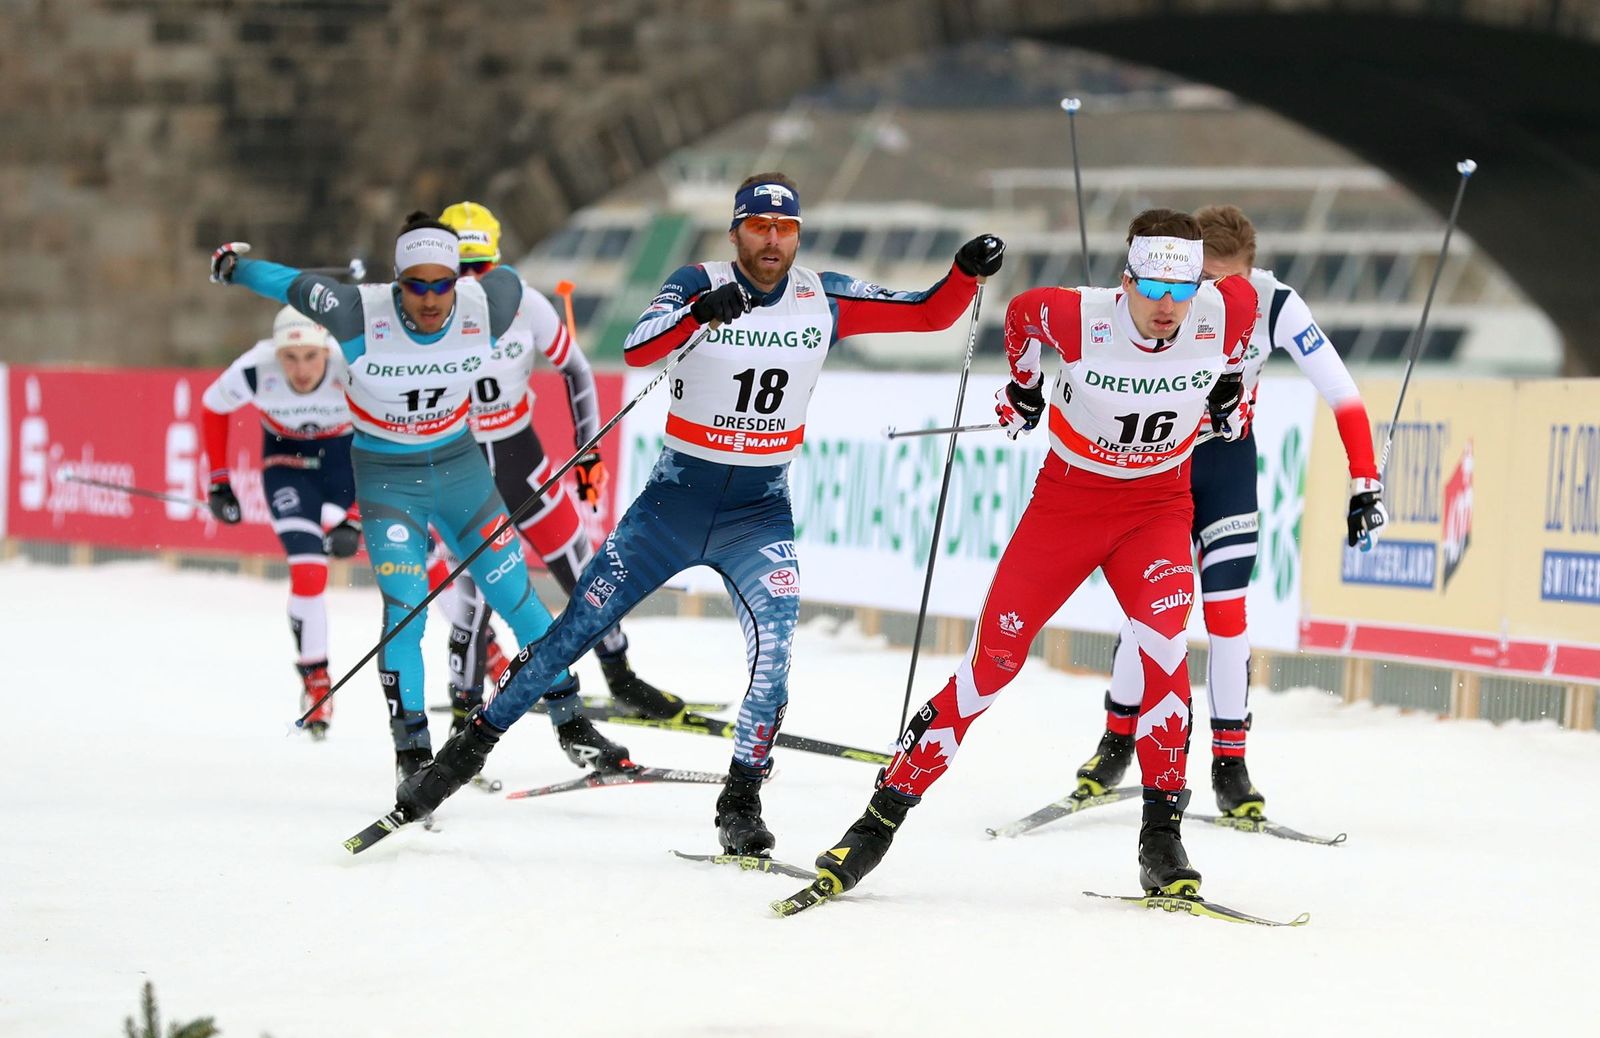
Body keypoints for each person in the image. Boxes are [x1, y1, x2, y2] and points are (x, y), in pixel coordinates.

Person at [392, 173, 1005, 854]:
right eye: (759, 227)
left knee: (774, 657)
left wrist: (961, 273)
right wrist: (701, 313)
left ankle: (740, 801)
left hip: (758, 513)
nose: (773, 241)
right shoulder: (694, 280)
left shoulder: (821, 295)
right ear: (736, 230)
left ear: (797, 234)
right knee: (570, 633)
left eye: (785, 229)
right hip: (673, 505)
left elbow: (927, 314)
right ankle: (459, 759)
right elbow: (638, 347)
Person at [808, 209, 1258, 900]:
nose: (1168, 307)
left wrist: (1229, 388)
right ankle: (876, 823)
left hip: (1157, 510)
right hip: (1068, 508)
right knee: (993, 665)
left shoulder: (1228, 307)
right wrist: (1025, 390)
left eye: (1184, 289)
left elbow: (1238, 332)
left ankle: (1161, 840)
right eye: (1153, 290)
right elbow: (1019, 317)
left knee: (1166, 653)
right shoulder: (1078, 318)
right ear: (1125, 279)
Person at [208, 213, 634, 783]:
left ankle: (571, 722)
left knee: (519, 598)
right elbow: (287, 283)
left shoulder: (491, 300)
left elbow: (513, 283)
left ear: (460, 279)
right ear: (396, 282)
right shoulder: (357, 310)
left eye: (443, 283)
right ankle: (412, 756)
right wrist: (234, 267)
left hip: (460, 471)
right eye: (416, 284)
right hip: (389, 480)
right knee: (406, 612)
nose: (431, 299)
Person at [1074, 204, 1387, 819]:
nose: (1214, 296)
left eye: (1228, 282)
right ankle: (1116, 744)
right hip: (1159, 470)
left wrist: (1365, 481)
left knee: (1227, 617)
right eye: (1203, 282)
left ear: (1252, 269)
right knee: (1152, 617)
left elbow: (1341, 391)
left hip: (1226, 470)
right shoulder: (1161, 294)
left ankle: (1230, 766)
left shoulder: (1273, 302)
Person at [425, 201, 683, 733]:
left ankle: (622, 677)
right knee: (474, 601)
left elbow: (577, 370)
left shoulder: (524, 302)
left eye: (481, 266)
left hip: (522, 458)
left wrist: (588, 455)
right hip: (465, 471)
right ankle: (460, 718)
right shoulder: (423, 314)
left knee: (586, 572)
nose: (472, 280)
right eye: (460, 268)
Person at [201, 305, 360, 739]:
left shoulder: (350, 362)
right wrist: (219, 483)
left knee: (424, 555)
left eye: (311, 356)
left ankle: (483, 650)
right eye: (290, 358)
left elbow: (388, 431)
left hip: (348, 464)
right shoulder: (255, 367)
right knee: (309, 571)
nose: (301, 368)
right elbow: (212, 407)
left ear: (325, 349)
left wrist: (356, 519)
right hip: (287, 465)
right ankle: (316, 680)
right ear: (277, 352)